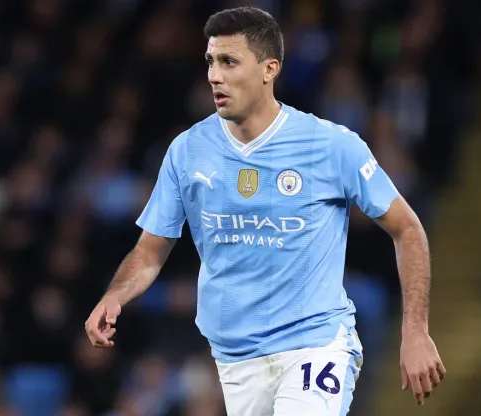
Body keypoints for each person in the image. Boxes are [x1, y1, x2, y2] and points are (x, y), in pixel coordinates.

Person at [85, 6, 446, 415]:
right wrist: (115, 295)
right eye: (210, 61)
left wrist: (415, 331)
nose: (214, 75)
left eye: (229, 61)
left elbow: (408, 229)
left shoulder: (329, 146)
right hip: (235, 358)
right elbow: (150, 252)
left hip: (316, 345)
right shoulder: (187, 151)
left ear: (268, 69)